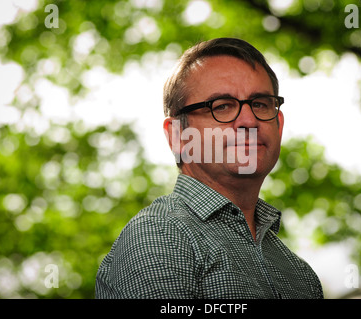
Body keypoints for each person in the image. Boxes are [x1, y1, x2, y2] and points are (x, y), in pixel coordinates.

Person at [95, 38, 324, 299]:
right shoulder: (160, 234)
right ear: (178, 136)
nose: (249, 121)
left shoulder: (299, 273)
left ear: (279, 125)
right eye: (222, 106)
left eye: (260, 104)